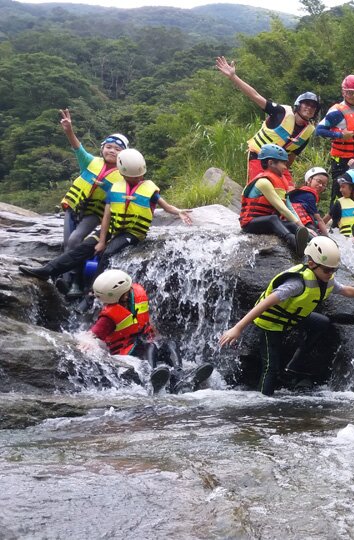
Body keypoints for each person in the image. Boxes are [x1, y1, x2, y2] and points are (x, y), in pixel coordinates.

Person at [219, 236, 354, 395]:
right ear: (311, 263)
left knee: (322, 323)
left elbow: (345, 290)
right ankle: (263, 403)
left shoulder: (325, 278)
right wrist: (238, 328)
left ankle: (293, 366)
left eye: (333, 270)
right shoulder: (296, 283)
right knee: (271, 368)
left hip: (293, 317)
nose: (330, 274)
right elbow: (265, 303)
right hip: (271, 323)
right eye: (326, 270)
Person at [20, 149, 192, 285]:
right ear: (123, 174)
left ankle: (93, 292)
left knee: (108, 253)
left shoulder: (149, 189)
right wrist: (101, 240)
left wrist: (178, 212)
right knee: (84, 247)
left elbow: (166, 205)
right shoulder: (115, 188)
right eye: (132, 177)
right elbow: (107, 217)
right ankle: (48, 270)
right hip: (112, 230)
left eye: (139, 176)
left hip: (132, 234)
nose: (136, 179)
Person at [89, 269, 213, 394]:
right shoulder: (107, 318)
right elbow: (92, 335)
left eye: (127, 292)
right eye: (124, 294)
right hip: (126, 353)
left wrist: (155, 333)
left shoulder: (136, 294)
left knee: (170, 344)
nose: (128, 294)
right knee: (150, 347)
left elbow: (145, 320)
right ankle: (151, 377)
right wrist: (86, 343)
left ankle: (179, 376)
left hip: (144, 345)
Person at [56, 109, 128, 295]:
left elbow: (117, 198)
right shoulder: (89, 162)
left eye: (117, 149)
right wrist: (68, 130)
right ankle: (66, 281)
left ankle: (77, 283)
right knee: (68, 243)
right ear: (102, 148)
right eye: (109, 147)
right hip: (73, 208)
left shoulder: (122, 176)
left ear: (123, 155)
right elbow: (77, 147)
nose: (112, 151)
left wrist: (104, 186)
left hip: (94, 214)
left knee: (74, 240)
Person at [215, 56, 317, 184]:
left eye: (313, 106)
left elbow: (292, 156)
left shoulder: (307, 132)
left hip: (279, 164)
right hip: (259, 157)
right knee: (260, 189)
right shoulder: (281, 112)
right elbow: (255, 95)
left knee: (288, 191)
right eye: (306, 104)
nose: (309, 107)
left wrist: (282, 176)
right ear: (298, 105)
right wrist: (233, 77)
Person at [239, 144, 312, 255]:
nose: (285, 167)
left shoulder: (280, 182)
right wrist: (300, 224)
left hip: (268, 223)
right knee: (273, 219)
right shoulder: (263, 182)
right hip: (250, 224)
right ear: (271, 163)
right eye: (282, 163)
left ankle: (315, 242)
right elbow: (281, 208)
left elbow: (289, 206)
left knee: (292, 225)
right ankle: (294, 243)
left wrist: (303, 227)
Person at [316, 74, 354, 191]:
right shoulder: (337, 112)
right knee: (339, 193)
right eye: (350, 93)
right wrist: (340, 135)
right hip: (341, 161)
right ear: (344, 92)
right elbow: (319, 130)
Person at [289, 167, 330, 235]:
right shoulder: (309, 196)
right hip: (296, 221)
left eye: (324, 185)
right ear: (309, 180)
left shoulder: (303, 192)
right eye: (319, 181)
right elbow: (319, 220)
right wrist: (327, 237)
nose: (320, 185)